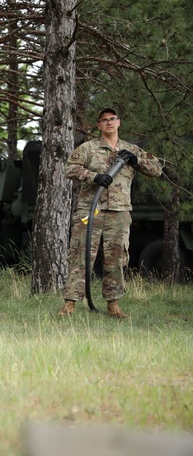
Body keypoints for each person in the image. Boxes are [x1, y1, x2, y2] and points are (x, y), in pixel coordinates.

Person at [60, 107, 162, 318]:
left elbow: (156, 169)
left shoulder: (130, 149)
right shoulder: (87, 148)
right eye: (104, 120)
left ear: (119, 122)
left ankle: (113, 305)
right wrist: (93, 177)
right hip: (91, 210)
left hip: (119, 212)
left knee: (116, 259)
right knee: (81, 255)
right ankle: (69, 305)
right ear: (98, 126)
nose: (109, 122)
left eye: (112, 119)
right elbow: (70, 168)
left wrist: (136, 160)